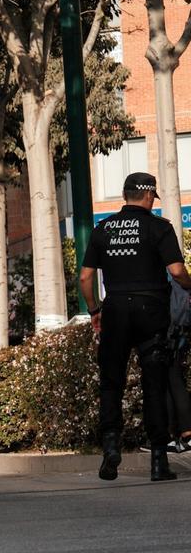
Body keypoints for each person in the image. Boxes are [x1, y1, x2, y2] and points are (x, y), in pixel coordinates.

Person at [79, 171, 191, 482]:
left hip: (114, 309)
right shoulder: (159, 228)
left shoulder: (104, 229)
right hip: (151, 311)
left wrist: (94, 311)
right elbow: (177, 271)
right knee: (154, 384)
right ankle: (158, 462)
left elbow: (86, 278)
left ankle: (111, 446)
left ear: (126, 194)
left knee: (110, 383)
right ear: (147, 196)